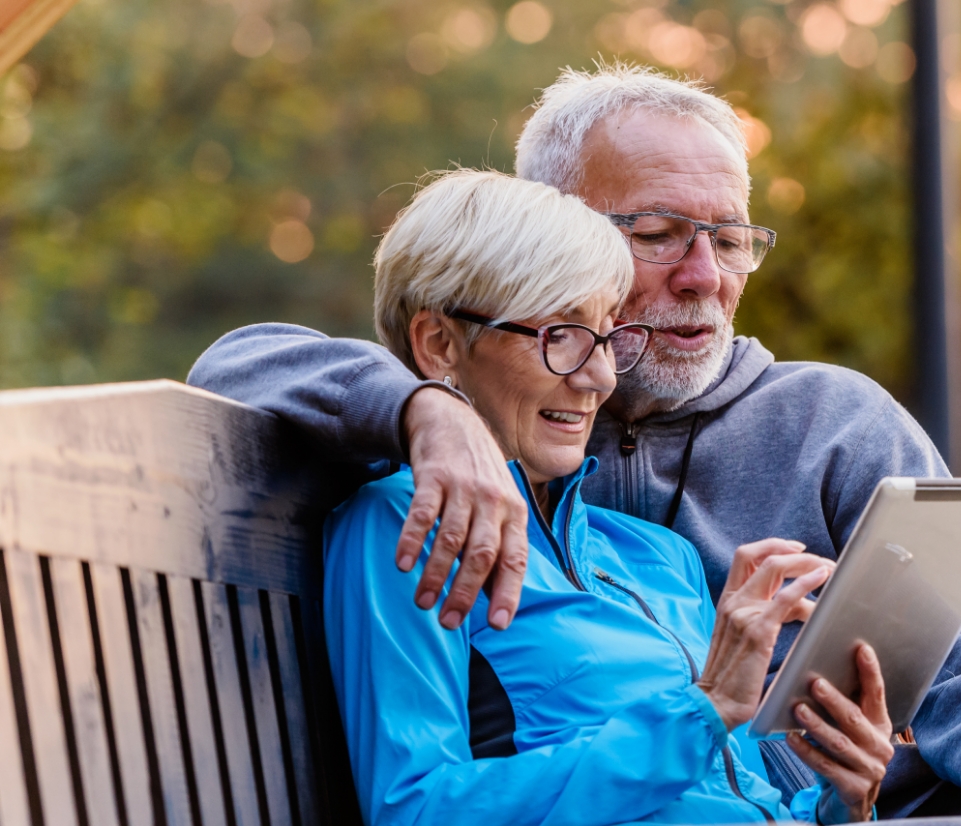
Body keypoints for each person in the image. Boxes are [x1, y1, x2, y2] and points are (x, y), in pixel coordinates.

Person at [189, 65, 961, 818]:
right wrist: (426, 411)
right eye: (657, 233)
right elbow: (242, 360)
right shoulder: (447, 460)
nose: (704, 276)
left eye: (730, 237)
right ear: (557, 239)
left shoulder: (812, 434)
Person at [326, 168, 893, 824]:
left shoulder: (655, 555)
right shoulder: (408, 525)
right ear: (438, 344)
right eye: (560, 336)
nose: (598, 377)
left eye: (604, 337)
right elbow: (415, 811)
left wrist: (839, 804)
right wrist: (700, 713)